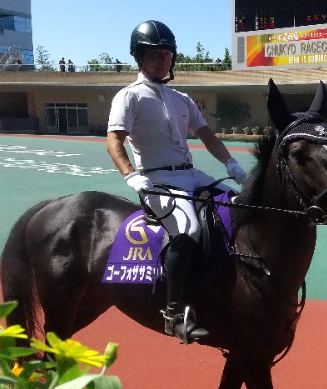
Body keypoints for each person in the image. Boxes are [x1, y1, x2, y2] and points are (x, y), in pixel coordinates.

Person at [106, 19, 247, 343]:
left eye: (168, 54)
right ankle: (174, 313)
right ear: (139, 56)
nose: (164, 60)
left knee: (240, 205)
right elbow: (113, 141)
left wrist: (231, 163)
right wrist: (131, 176)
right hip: (156, 178)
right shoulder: (129, 97)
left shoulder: (181, 98)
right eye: (156, 54)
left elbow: (206, 135)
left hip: (190, 173)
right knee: (188, 231)